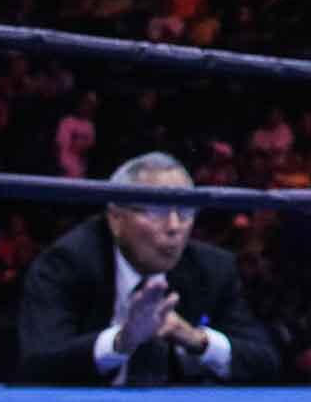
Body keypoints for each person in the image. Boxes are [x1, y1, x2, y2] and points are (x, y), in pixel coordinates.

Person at [14, 151, 277, 385]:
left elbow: (266, 361)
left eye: (185, 210)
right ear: (116, 218)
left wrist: (195, 338)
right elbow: (36, 363)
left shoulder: (212, 269)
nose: (174, 226)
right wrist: (121, 341)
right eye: (157, 209)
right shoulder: (67, 263)